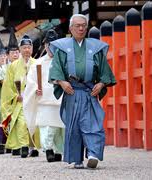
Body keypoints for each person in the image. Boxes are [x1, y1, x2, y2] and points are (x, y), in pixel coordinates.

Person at [48, 14, 116, 169]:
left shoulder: (95, 47)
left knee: (94, 124)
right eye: (77, 25)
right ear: (70, 28)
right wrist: (61, 82)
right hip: (72, 92)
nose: (80, 28)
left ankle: (93, 154)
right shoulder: (62, 48)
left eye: (83, 25)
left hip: (88, 92)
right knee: (74, 126)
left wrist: (101, 84)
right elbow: (56, 68)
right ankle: (76, 158)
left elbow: (105, 72)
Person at [23, 29, 65, 162]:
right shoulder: (38, 64)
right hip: (44, 100)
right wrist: (35, 89)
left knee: (60, 129)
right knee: (47, 128)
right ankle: (48, 150)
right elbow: (30, 81)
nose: (50, 47)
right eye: (48, 44)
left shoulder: (64, 62)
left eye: (53, 44)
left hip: (60, 100)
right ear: (45, 46)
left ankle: (59, 151)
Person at [0, 34, 39, 158]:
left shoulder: (37, 64)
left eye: (29, 47)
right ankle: (23, 146)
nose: (27, 50)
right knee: (22, 122)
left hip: (34, 100)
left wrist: (38, 91)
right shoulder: (13, 66)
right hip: (21, 100)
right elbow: (7, 86)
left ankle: (32, 147)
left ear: (32, 49)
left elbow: (41, 82)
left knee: (33, 124)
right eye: (24, 48)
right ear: (20, 49)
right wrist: (16, 96)